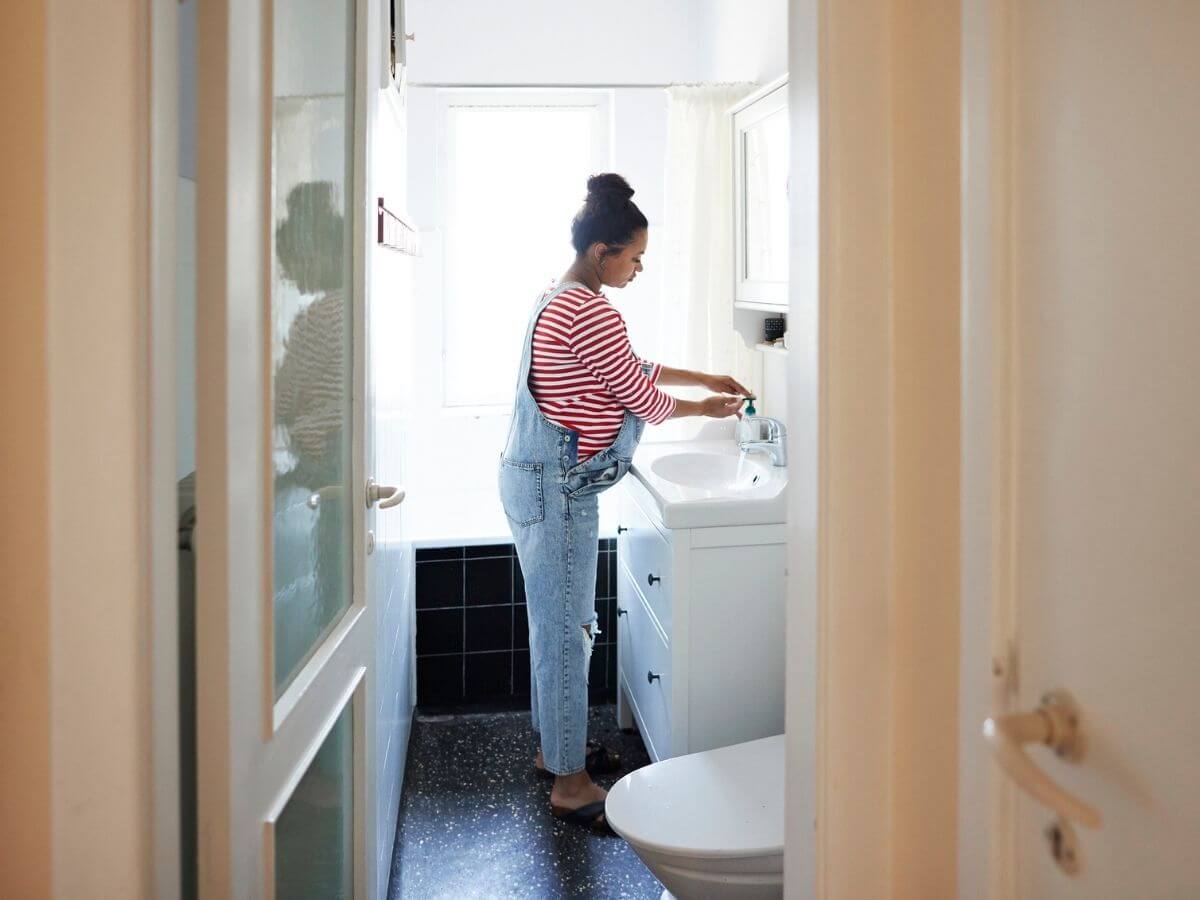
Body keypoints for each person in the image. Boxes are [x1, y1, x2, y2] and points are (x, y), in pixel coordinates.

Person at [497, 173, 751, 831]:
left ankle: (555, 749)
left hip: (536, 480)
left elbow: (629, 366)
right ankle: (571, 786)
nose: (638, 270)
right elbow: (644, 398)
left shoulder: (557, 297)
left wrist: (703, 374)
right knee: (565, 632)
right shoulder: (589, 309)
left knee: (554, 627)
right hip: (558, 493)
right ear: (601, 252)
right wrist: (710, 405)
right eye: (633, 258)